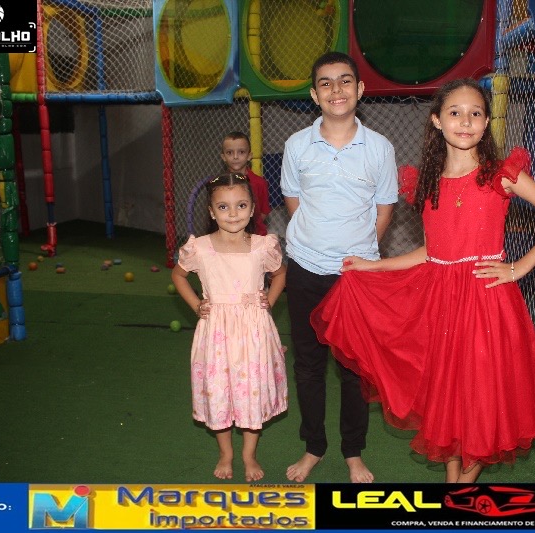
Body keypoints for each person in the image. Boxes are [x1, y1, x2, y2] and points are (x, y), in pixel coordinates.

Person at [311, 78, 535, 483]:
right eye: (455, 112)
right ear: (437, 120)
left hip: (486, 302)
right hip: (441, 303)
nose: (465, 121)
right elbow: (434, 252)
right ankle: (455, 481)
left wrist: (519, 267)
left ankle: (460, 486)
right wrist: (374, 266)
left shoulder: (500, 175)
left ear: (486, 123)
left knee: (480, 397)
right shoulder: (427, 182)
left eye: (475, 113)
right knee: (450, 396)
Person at [280, 51, 398, 483]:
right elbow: (294, 203)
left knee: (354, 369)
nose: (336, 90)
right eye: (326, 83)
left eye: (345, 81)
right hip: (304, 268)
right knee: (309, 364)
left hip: (355, 277)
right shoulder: (296, 145)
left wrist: (359, 255)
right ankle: (314, 446)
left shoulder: (380, 148)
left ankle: (353, 453)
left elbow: (384, 211)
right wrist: (316, 243)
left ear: (360, 89)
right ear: (314, 95)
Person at [171, 172, 288, 482]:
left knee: (251, 391)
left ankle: (249, 454)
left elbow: (279, 274)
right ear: (211, 212)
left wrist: (269, 300)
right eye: (223, 207)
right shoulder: (199, 248)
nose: (233, 213)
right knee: (219, 390)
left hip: (253, 332)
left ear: (252, 209)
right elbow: (178, 276)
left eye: (241, 205)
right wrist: (196, 304)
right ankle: (226, 453)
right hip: (217, 334)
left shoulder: (263, 246)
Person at [221, 131, 272, 236]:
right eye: (229, 152)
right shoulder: (219, 184)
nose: (235, 157)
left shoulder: (260, 183)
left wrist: (248, 226)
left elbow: (264, 212)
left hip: (255, 235)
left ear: (249, 156)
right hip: (228, 236)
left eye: (241, 152)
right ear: (223, 157)